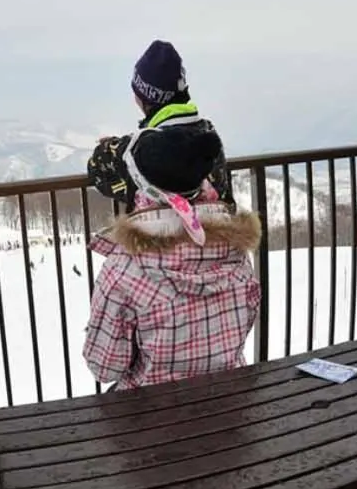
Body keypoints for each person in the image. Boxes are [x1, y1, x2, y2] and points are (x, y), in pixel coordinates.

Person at [82, 114, 261, 389]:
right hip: (228, 401)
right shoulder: (236, 253)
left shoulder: (125, 269)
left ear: (142, 188)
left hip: (153, 415)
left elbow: (105, 366)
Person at [90, 39, 235, 214]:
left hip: (157, 239)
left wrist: (113, 146)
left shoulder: (136, 151)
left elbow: (97, 171)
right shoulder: (208, 136)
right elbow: (222, 192)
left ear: (144, 95)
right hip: (213, 236)